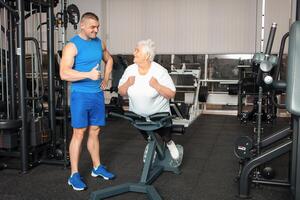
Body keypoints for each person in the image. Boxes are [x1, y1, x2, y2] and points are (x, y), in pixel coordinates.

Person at [60, 12, 115, 191]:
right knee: (79, 133)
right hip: (80, 95)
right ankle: (74, 174)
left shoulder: (99, 43)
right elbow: (64, 73)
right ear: (82, 25)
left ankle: (97, 167)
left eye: (97, 27)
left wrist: (106, 79)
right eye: (93, 27)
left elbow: (110, 59)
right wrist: (88, 75)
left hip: (96, 94)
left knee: (95, 130)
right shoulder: (72, 46)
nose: (96, 30)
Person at [118, 39, 180, 160]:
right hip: (138, 115)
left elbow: (171, 93)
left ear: (146, 56)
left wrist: (157, 86)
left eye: (137, 51)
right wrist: (128, 84)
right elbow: (121, 91)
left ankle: (169, 143)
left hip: (159, 115)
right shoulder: (130, 70)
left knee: (165, 136)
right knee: (148, 135)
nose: (133, 53)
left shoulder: (159, 71)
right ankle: (151, 144)